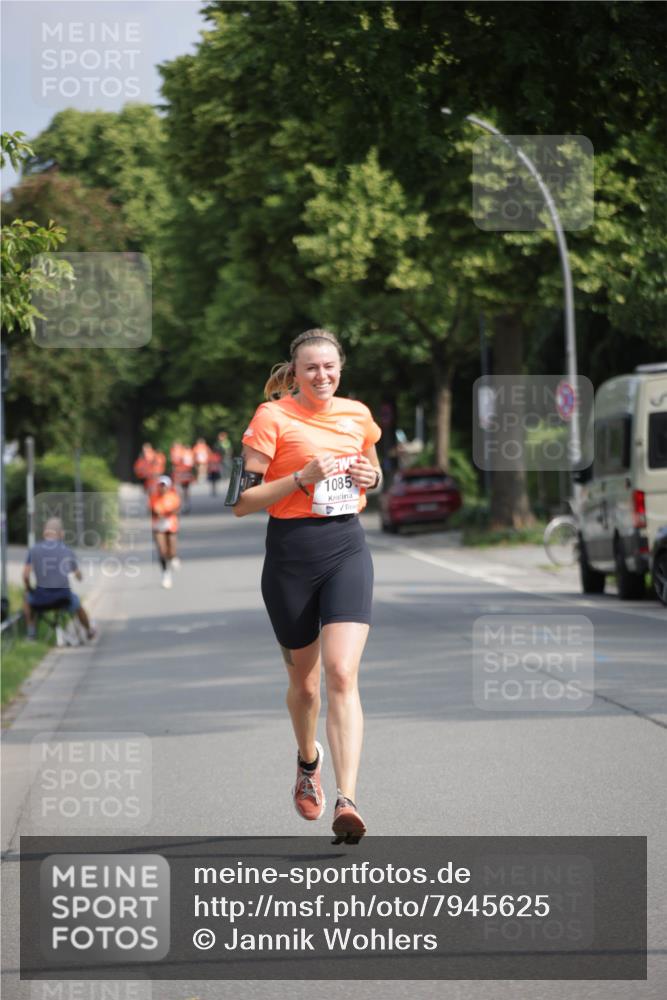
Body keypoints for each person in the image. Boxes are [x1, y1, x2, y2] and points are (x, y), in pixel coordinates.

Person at [229, 328, 382, 844]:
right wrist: (300, 478)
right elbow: (242, 503)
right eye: (311, 367)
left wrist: (372, 477)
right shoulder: (271, 418)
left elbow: (374, 470)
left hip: (346, 548)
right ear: (294, 373)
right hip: (291, 556)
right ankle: (307, 761)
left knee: (341, 672)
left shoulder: (357, 415)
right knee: (307, 686)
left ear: (341, 370)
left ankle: (347, 799)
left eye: (330, 367)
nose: (322, 375)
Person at [23, 518, 96, 641]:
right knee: (77, 604)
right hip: (63, 598)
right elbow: (78, 576)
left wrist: (29, 589)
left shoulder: (34, 550)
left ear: (45, 533)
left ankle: (31, 633)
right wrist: (77, 575)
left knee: (26, 597)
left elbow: (25, 575)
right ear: (61, 533)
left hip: (40, 599)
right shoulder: (67, 550)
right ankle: (89, 631)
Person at [149, 475, 181, 588]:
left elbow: (176, 509)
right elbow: (151, 510)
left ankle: (173, 558)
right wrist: (156, 514)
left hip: (170, 524)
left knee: (171, 550)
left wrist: (167, 513)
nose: (162, 488)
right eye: (160, 485)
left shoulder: (173, 496)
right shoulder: (153, 497)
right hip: (158, 525)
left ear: (168, 486)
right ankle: (165, 574)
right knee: (162, 551)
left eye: (164, 485)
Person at [171, 443, 195, 513]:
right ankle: (182, 506)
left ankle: (186, 505)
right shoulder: (176, 453)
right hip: (179, 474)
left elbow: (190, 464)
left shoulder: (184, 453)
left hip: (185, 475)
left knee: (185, 491)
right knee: (180, 492)